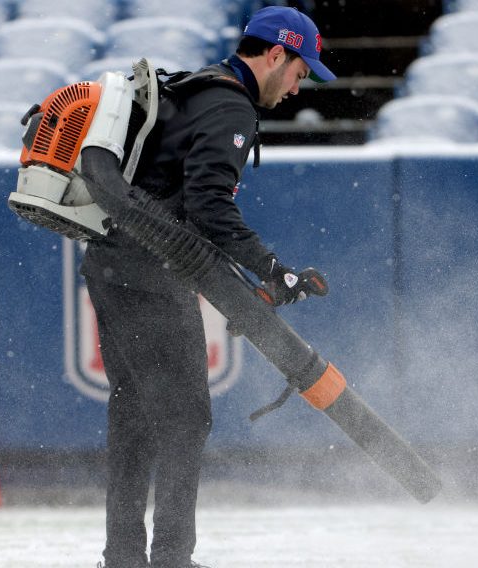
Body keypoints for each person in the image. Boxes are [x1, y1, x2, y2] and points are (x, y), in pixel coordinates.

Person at [81, 7, 336, 568]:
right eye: (300, 72)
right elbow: (207, 206)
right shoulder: (229, 105)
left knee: (133, 415)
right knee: (184, 417)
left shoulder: (200, 86)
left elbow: (186, 203)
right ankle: (172, 558)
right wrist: (273, 268)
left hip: (110, 266)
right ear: (276, 55)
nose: (299, 87)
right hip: (151, 275)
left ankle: (122, 557)